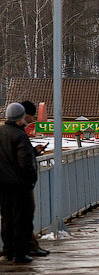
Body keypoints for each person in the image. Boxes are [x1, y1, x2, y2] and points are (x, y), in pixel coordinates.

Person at [0, 103, 39, 264]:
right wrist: (31, 179)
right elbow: (24, 162)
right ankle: (20, 253)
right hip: (18, 184)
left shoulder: (1, 132)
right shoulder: (20, 135)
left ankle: (7, 250)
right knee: (20, 218)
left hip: (2, 184)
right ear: (19, 118)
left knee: (6, 217)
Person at [17, 100, 49, 257]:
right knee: (25, 214)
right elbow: (22, 159)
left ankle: (17, 248)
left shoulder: (9, 133)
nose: (32, 120)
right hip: (21, 182)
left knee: (15, 216)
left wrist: (34, 151)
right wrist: (31, 178)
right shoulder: (19, 134)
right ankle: (27, 247)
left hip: (12, 182)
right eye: (31, 116)